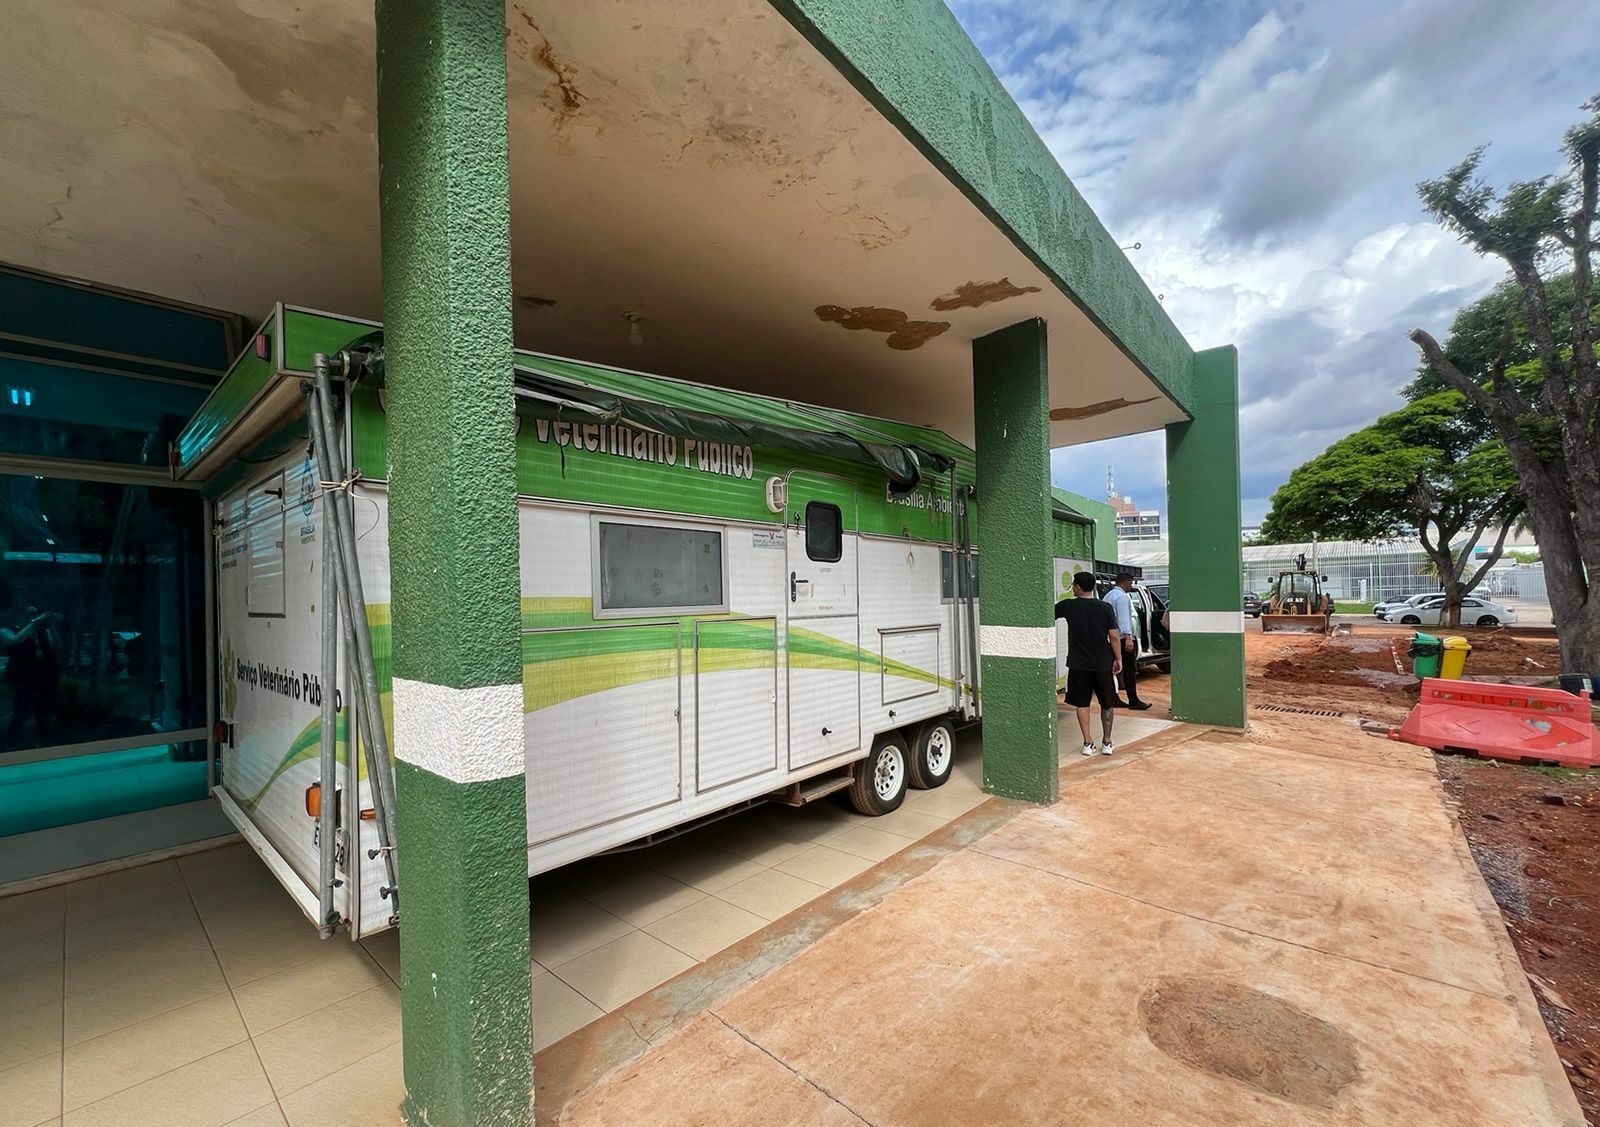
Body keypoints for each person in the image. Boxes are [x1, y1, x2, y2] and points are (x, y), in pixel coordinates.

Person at [1054, 572, 1122, 756]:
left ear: (1077, 586)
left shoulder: (1068, 606)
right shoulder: (1105, 608)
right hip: (1103, 663)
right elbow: (1114, 636)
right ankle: (1107, 742)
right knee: (1107, 703)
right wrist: (1118, 659)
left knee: (1082, 703)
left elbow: (1046, 615)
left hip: (1078, 664)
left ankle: (1087, 743)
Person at [2, 605, 62, 750]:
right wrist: (34, 622)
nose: (32, 616)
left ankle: (41, 742)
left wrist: (52, 626)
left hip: (42, 675)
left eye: (35, 613)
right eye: (29, 613)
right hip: (21, 676)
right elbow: (15, 640)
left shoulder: (41, 631)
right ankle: (11, 743)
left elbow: (57, 647)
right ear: (20, 615)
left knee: (43, 711)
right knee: (22, 711)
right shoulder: (6, 630)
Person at [1103, 573, 1152, 710]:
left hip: (1109, 638)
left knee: (1112, 670)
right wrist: (1129, 638)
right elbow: (1123, 619)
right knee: (1129, 670)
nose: (1131, 586)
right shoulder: (1122, 597)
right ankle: (1134, 700)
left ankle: (1113, 698)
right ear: (1124, 582)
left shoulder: (1108, 596)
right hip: (1122, 638)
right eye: (1130, 583)